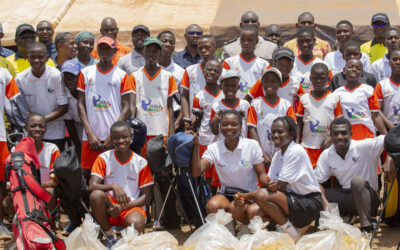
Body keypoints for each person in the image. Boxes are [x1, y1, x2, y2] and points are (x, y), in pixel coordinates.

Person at [238, 116, 323, 242]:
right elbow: (270, 184)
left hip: (308, 203)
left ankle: (292, 232)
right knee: (252, 211)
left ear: (292, 133)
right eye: (273, 132)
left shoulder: (295, 151)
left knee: (261, 195)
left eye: (280, 132)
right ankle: (282, 227)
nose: (275, 135)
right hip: (290, 199)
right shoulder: (278, 154)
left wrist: (247, 195)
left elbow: (279, 187)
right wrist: (265, 188)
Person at [190, 109, 268, 235]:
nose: (229, 127)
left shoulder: (252, 145)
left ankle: (246, 225)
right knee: (212, 206)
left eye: (234, 124)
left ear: (241, 126)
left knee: (238, 209)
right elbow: (196, 172)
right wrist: (196, 145)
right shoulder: (214, 147)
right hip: (227, 194)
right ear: (220, 126)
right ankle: (227, 229)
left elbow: (262, 175)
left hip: (248, 195)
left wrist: (268, 182)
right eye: (225, 124)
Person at [314, 117, 395, 233]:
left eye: (344, 133)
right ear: (330, 135)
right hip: (347, 196)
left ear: (351, 134)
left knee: (356, 182)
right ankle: (336, 218)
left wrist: (389, 158)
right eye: (335, 133)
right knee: (314, 194)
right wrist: (325, 204)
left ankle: (366, 226)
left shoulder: (365, 146)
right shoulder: (327, 154)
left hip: (369, 197)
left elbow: (395, 137)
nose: (340, 137)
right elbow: (317, 182)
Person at [77, 35, 133, 180]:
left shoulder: (122, 75)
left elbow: (127, 107)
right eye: (101, 48)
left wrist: (113, 136)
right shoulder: (85, 73)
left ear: (115, 51)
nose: (104, 52)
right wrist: (89, 133)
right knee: (89, 176)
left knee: (114, 175)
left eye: (108, 49)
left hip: (114, 139)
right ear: (97, 51)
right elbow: (80, 104)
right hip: (91, 138)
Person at [89, 121, 153, 247]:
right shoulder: (104, 158)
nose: (121, 141)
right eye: (116, 138)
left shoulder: (140, 162)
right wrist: (113, 186)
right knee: (95, 195)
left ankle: (123, 240)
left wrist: (123, 207)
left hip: (130, 208)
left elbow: (147, 197)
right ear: (111, 139)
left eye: (125, 137)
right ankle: (109, 234)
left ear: (131, 138)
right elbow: (92, 186)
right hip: (109, 208)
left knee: (137, 223)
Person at [16, 42, 68, 151]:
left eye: (40, 57)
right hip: (32, 132)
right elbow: (21, 108)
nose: (36, 61)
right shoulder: (20, 79)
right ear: (27, 58)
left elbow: (63, 106)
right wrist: (36, 125)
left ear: (47, 58)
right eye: (32, 57)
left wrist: (41, 121)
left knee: (54, 164)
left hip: (55, 131)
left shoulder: (56, 76)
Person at [131, 37, 177, 157]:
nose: (151, 54)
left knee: (161, 168)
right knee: (143, 166)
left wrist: (171, 131)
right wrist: (131, 129)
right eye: (148, 50)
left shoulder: (168, 77)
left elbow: (170, 107)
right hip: (141, 130)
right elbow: (132, 106)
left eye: (155, 51)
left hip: (161, 129)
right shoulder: (134, 76)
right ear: (143, 52)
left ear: (160, 53)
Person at [248, 68, 296, 168]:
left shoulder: (286, 105)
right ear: (262, 83)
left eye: (274, 81)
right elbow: (252, 129)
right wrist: (262, 153)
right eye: (266, 81)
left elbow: (292, 129)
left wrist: (280, 152)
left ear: (280, 84)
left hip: (281, 154)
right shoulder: (255, 104)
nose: (270, 84)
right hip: (260, 155)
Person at [296, 63, 342, 167]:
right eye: (315, 78)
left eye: (322, 78)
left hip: (327, 146)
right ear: (310, 78)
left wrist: (331, 139)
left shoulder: (334, 98)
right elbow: (299, 124)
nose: (319, 81)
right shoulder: (304, 98)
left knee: (328, 178)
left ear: (328, 78)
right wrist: (297, 144)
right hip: (307, 147)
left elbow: (339, 123)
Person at [334, 59, 386, 140]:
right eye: (350, 67)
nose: (354, 69)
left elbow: (376, 116)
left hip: (368, 135)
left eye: (358, 68)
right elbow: (338, 119)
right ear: (344, 70)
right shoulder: (337, 93)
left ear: (361, 73)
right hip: (347, 137)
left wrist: (385, 136)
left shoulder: (368, 90)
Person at [192, 59, 223, 181]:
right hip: (204, 141)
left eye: (215, 70)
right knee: (206, 178)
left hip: (221, 141)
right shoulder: (199, 96)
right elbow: (196, 120)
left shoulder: (224, 95)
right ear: (203, 71)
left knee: (220, 175)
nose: (211, 72)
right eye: (209, 69)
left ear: (220, 73)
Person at [222, 25, 270, 99]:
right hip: (235, 105)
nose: (245, 43)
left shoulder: (264, 65)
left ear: (256, 41)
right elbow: (223, 84)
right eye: (243, 40)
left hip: (256, 105)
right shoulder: (229, 62)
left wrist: (250, 96)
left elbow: (267, 86)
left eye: (249, 40)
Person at [0, 65, 19, 239]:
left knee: (0, 181)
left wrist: (21, 126)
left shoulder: (3, 73)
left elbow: (14, 102)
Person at [181, 35, 217, 120]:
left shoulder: (224, 70)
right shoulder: (190, 70)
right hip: (194, 120)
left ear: (215, 48)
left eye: (207, 47)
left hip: (216, 121)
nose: (203, 51)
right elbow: (185, 96)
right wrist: (187, 118)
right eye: (200, 48)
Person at [157, 30, 186, 129]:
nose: (168, 44)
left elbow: (184, 99)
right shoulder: (149, 70)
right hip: (154, 115)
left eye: (171, 42)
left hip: (175, 117)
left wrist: (178, 121)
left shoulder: (180, 72)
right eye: (164, 41)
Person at [210, 70, 250, 138]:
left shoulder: (245, 105)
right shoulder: (216, 106)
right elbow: (215, 132)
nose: (230, 88)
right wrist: (214, 123)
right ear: (220, 87)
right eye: (226, 85)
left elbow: (249, 128)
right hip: (223, 145)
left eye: (233, 85)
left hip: (242, 145)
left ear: (238, 87)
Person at [291, 27, 332, 93]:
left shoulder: (324, 66)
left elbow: (328, 89)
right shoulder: (291, 64)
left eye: (308, 40)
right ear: (297, 43)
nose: (305, 45)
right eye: (301, 41)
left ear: (314, 41)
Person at [62, 59, 83, 156]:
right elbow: (69, 121)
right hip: (78, 127)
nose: (69, 80)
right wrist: (77, 145)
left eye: (73, 77)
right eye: (66, 77)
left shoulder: (88, 90)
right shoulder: (64, 93)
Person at [374, 48, 400, 129]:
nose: (398, 62)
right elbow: (377, 110)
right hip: (390, 127)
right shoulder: (381, 85)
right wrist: (391, 127)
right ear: (389, 63)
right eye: (395, 59)